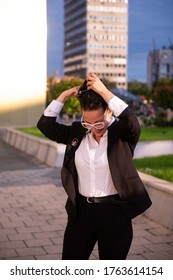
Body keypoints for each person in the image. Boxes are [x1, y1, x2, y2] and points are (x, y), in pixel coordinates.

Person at [37, 73, 152, 260]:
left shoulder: (123, 134)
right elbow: (45, 125)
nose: (93, 128)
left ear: (108, 111)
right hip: (80, 213)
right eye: (87, 122)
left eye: (98, 122)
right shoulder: (77, 131)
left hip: (115, 214)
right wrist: (64, 95)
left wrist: (104, 91)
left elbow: (132, 121)